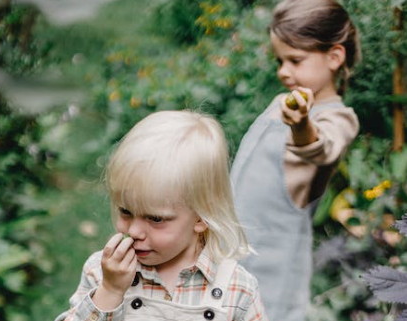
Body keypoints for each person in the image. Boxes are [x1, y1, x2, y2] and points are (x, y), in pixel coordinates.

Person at [55, 110, 268, 321]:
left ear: (202, 216)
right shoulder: (102, 273)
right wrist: (110, 291)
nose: (134, 231)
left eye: (155, 219)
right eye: (125, 212)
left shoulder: (237, 289)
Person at [229, 0, 360, 320]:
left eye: (295, 60)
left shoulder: (339, 119)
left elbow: (320, 147)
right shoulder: (282, 102)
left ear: (334, 56)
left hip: (277, 262)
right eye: (280, 61)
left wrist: (301, 124)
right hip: (235, 245)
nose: (283, 71)